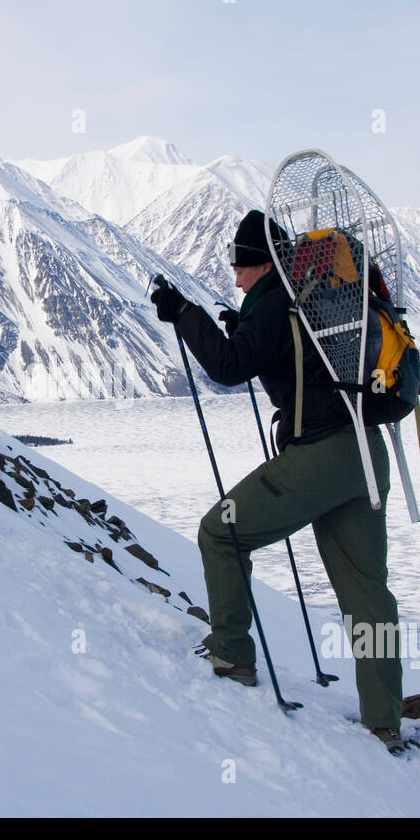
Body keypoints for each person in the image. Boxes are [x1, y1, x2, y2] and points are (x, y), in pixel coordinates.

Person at [150, 210, 404, 754]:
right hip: (365, 451)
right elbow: (279, 350)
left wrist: (182, 314)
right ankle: (384, 720)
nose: (236, 277)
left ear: (260, 262)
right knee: (367, 594)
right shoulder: (312, 297)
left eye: (240, 266)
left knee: (221, 532)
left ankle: (233, 654)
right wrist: (239, 324)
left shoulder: (271, 301)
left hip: (319, 457)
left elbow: (227, 365)